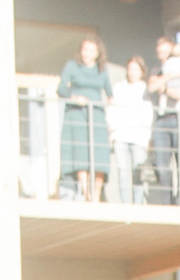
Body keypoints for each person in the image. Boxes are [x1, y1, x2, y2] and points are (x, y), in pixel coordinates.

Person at [58, 37, 111, 202]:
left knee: (100, 155)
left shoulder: (102, 70)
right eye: (85, 49)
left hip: (96, 116)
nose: (88, 54)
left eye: (92, 50)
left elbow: (110, 94)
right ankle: (87, 194)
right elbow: (61, 89)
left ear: (98, 53)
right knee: (81, 154)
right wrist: (74, 97)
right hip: (77, 115)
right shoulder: (72, 66)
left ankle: (96, 194)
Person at [147, 37, 180, 205]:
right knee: (161, 163)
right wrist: (169, 76)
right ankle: (166, 202)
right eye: (159, 52)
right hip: (161, 120)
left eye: (165, 52)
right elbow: (152, 87)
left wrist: (166, 89)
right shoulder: (157, 70)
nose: (162, 56)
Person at [107, 54, 153, 202]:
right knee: (123, 171)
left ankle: (138, 204)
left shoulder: (145, 89)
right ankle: (125, 203)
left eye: (136, 69)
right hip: (120, 134)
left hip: (139, 136)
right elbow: (112, 109)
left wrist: (147, 138)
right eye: (130, 69)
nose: (133, 72)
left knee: (138, 172)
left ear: (141, 71)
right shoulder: (119, 87)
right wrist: (111, 131)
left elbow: (148, 113)